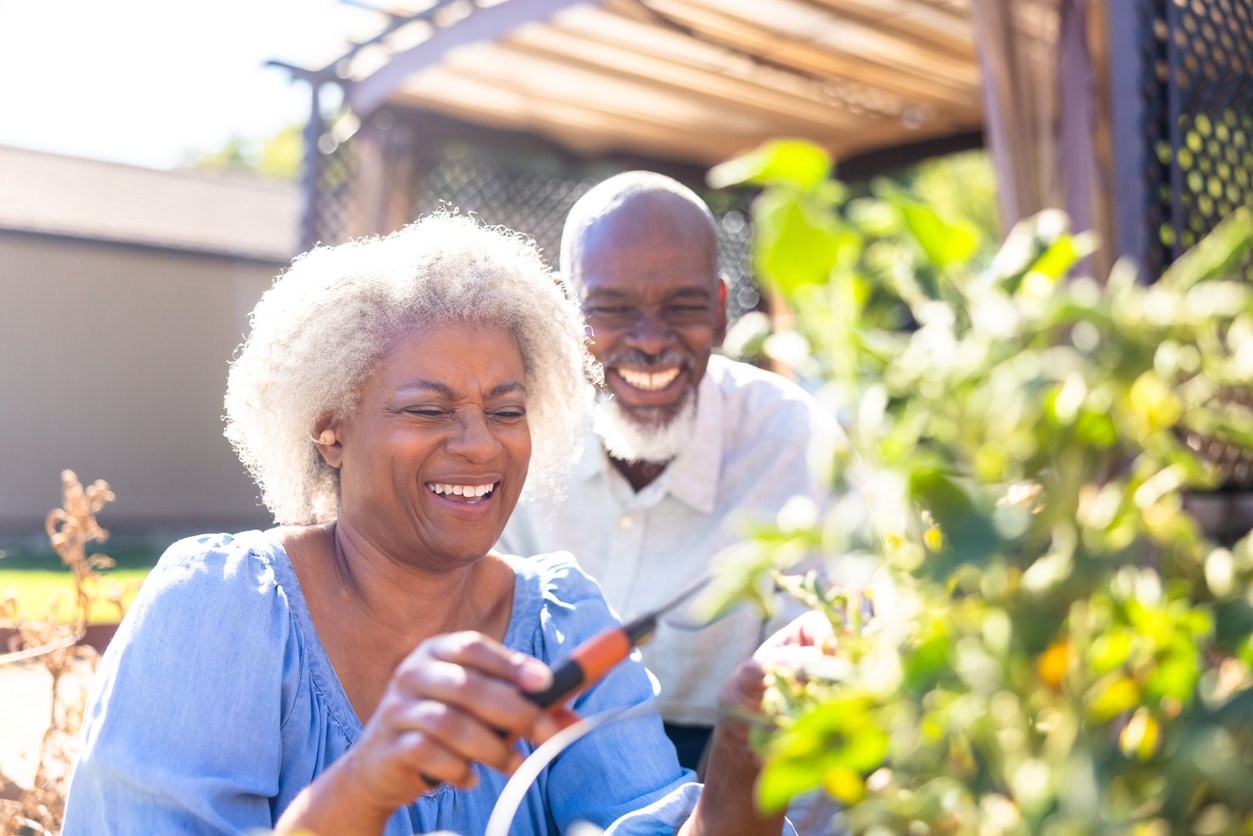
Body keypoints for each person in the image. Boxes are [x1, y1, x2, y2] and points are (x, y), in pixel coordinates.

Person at [60, 213, 796, 835]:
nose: (479, 443)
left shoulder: (560, 624)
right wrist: (360, 790)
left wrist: (741, 759)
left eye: (506, 411)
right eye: (427, 410)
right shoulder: (222, 609)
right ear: (330, 431)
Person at [498, 171, 848, 774]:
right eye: (612, 308)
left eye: (681, 307)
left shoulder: (796, 444)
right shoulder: (510, 437)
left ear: (718, 312)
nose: (652, 342)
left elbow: (817, 707)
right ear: (562, 315)